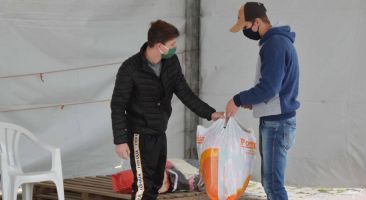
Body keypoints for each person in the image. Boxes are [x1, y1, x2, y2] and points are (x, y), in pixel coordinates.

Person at [111, 19, 224, 200]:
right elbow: (117, 105)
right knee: (143, 186)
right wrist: (120, 140)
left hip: (159, 132)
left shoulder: (171, 62)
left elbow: (184, 91)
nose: (174, 48)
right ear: (158, 46)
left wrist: (210, 113)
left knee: (157, 182)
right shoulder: (130, 68)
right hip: (139, 135)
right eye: (172, 44)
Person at [225, 2, 300, 200]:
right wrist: (255, 102)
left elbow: (269, 88)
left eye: (246, 26)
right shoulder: (277, 42)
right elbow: (277, 88)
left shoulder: (275, 44)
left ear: (257, 22)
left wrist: (238, 100)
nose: (246, 32)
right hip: (277, 120)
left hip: (277, 123)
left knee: (274, 186)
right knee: (271, 184)